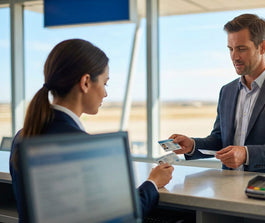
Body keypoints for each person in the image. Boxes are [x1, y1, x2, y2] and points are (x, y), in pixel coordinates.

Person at [9, 39, 174, 222]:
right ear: (86, 82)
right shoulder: (83, 148)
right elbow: (121, 216)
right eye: (105, 83)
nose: (105, 93)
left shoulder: (23, 136)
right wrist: (153, 182)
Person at [170, 14, 265, 174]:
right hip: (228, 187)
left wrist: (247, 154)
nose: (234, 56)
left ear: (263, 47)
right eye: (231, 49)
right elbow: (220, 140)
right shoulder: (227, 91)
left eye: (242, 49)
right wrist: (193, 145)